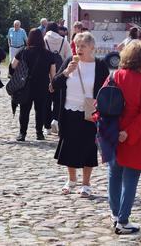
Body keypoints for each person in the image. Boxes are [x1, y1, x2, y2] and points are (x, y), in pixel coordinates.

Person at [52, 32, 109, 197]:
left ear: (92, 47)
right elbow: (54, 84)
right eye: (77, 45)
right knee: (68, 145)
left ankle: (86, 183)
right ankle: (71, 180)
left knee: (88, 146)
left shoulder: (100, 65)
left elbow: (107, 89)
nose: (79, 49)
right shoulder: (69, 62)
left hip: (89, 111)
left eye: (83, 46)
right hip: (69, 109)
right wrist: (65, 73)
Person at [108, 40, 141, 235]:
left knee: (114, 175)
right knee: (130, 179)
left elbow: (101, 105)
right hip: (133, 137)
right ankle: (123, 220)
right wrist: (128, 133)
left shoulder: (114, 76)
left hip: (112, 132)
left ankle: (115, 214)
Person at [12, 28, 56, 141]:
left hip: (26, 85)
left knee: (24, 110)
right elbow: (53, 72)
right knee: (40, 110)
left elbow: (13, 65)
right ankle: (39, 133)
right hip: (42, 85)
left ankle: (22, 133)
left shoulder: (24, 52)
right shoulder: (49, 54)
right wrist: (52, 84)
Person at [45, 22, 72, 135]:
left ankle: (47, 127)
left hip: (46, 74)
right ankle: (55, 119)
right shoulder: (63, 41)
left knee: (46, 101)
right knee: (58, 100)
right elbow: (69, 57)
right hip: (60, 74)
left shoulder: (44, 39)